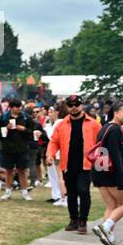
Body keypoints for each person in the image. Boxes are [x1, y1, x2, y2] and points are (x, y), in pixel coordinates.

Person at [46, 95, 100, 234]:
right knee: (71, 193)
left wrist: (102, 165)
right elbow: (54, 142)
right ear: (67, 107)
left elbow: (101, 144)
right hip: (68, 164)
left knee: (83, 191)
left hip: (86, 164)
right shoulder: (62, 124)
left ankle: (83, 220)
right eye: (71, 105)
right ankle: (73, 219)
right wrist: (50, 155)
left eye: (77, 104)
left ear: (82, 105)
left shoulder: (93, 124)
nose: (74, 107)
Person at [90, 101, 123, 245]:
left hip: (99, 170)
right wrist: (122, 179)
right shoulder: (115, 130)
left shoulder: (105, 127)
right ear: (116, 113)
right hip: (111, 173)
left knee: (112, 205)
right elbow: (115, 156)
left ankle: (109, 239)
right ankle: (106, 227)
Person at [0, 99, 37, 201]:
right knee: (8, 170)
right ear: (11, 107)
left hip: (22, 148)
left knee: (22, 171)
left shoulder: (26, 118)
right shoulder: (4, 117)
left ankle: (25, 192)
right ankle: (8, 192)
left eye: (20, 107)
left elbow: (32, 132)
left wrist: (23, 129)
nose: (19, 109)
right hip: (8, 148)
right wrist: (6, 128)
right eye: (17, 107)